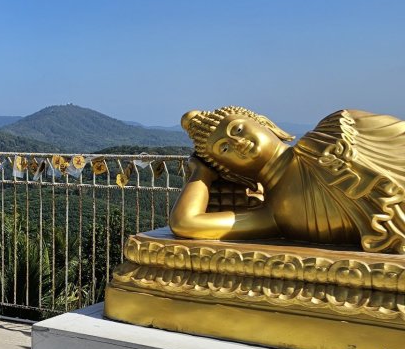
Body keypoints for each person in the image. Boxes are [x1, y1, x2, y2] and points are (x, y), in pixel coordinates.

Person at [170, 106, 405, 253]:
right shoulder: (274, 214)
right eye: (224, 149)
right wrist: (202, 173)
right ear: (230, 171)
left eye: (238, 130)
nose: (238, 143)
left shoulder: (337, 129)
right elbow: (186, 223)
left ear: (264, 123)